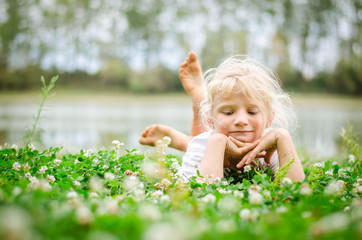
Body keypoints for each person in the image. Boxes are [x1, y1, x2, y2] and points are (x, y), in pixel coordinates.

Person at [139, 52, 305, 182]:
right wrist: (218, 142)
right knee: (200, 141)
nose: (241, 120)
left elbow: (295, 191)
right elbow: (200, 194)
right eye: (228, 112)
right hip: (205, 138)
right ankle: (200, 103)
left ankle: (186, 135)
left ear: (269, 119)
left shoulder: (272, 146)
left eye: (252, 112)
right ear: (210, 119)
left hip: (206, 134)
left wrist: (282, 136)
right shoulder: (202, 145)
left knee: (197, 141)